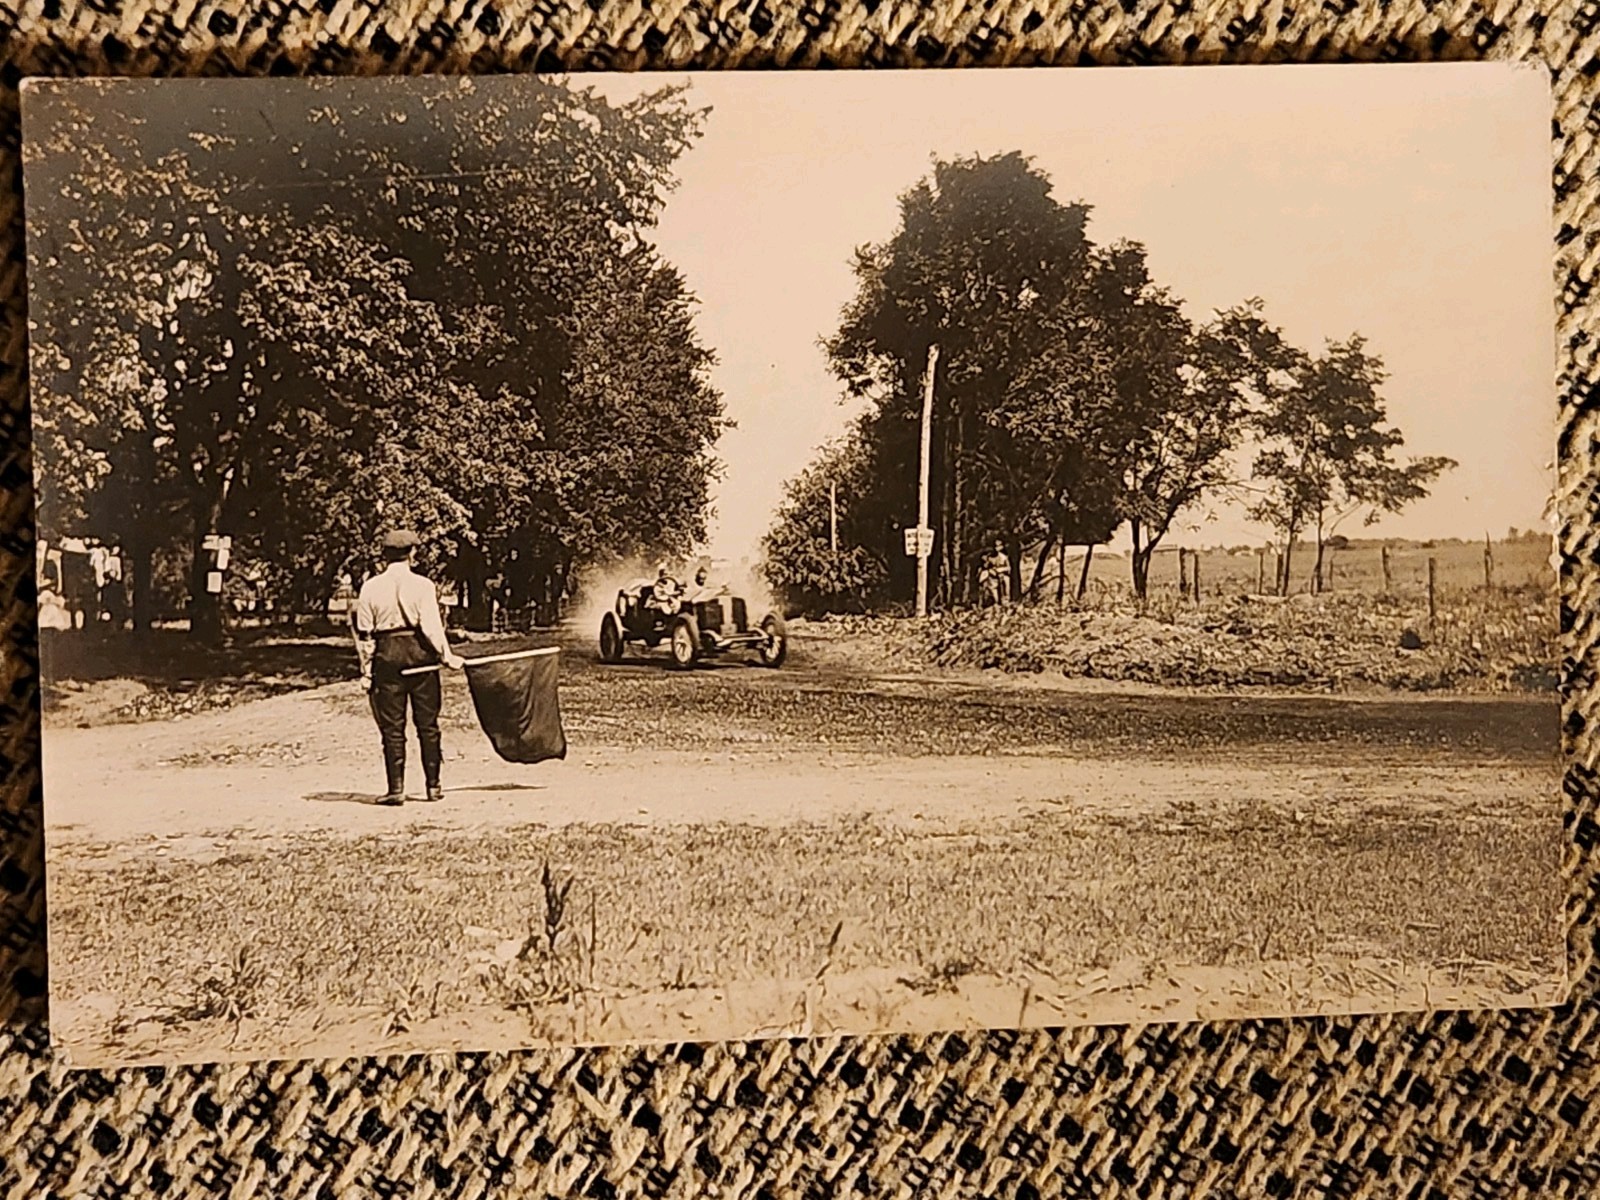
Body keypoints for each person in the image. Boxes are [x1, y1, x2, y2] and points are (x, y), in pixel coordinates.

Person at [353, 530, 465, 806]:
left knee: (392, 727)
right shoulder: (423, 585)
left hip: (387, 655)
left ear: (384, 556)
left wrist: (366, 673)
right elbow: (431, 628)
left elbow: (365, 635)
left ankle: (396, 789)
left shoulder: (370, 587)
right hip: (420, 656)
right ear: (413, 554)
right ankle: (433, 786)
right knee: (428, 724)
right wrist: (447, 656)